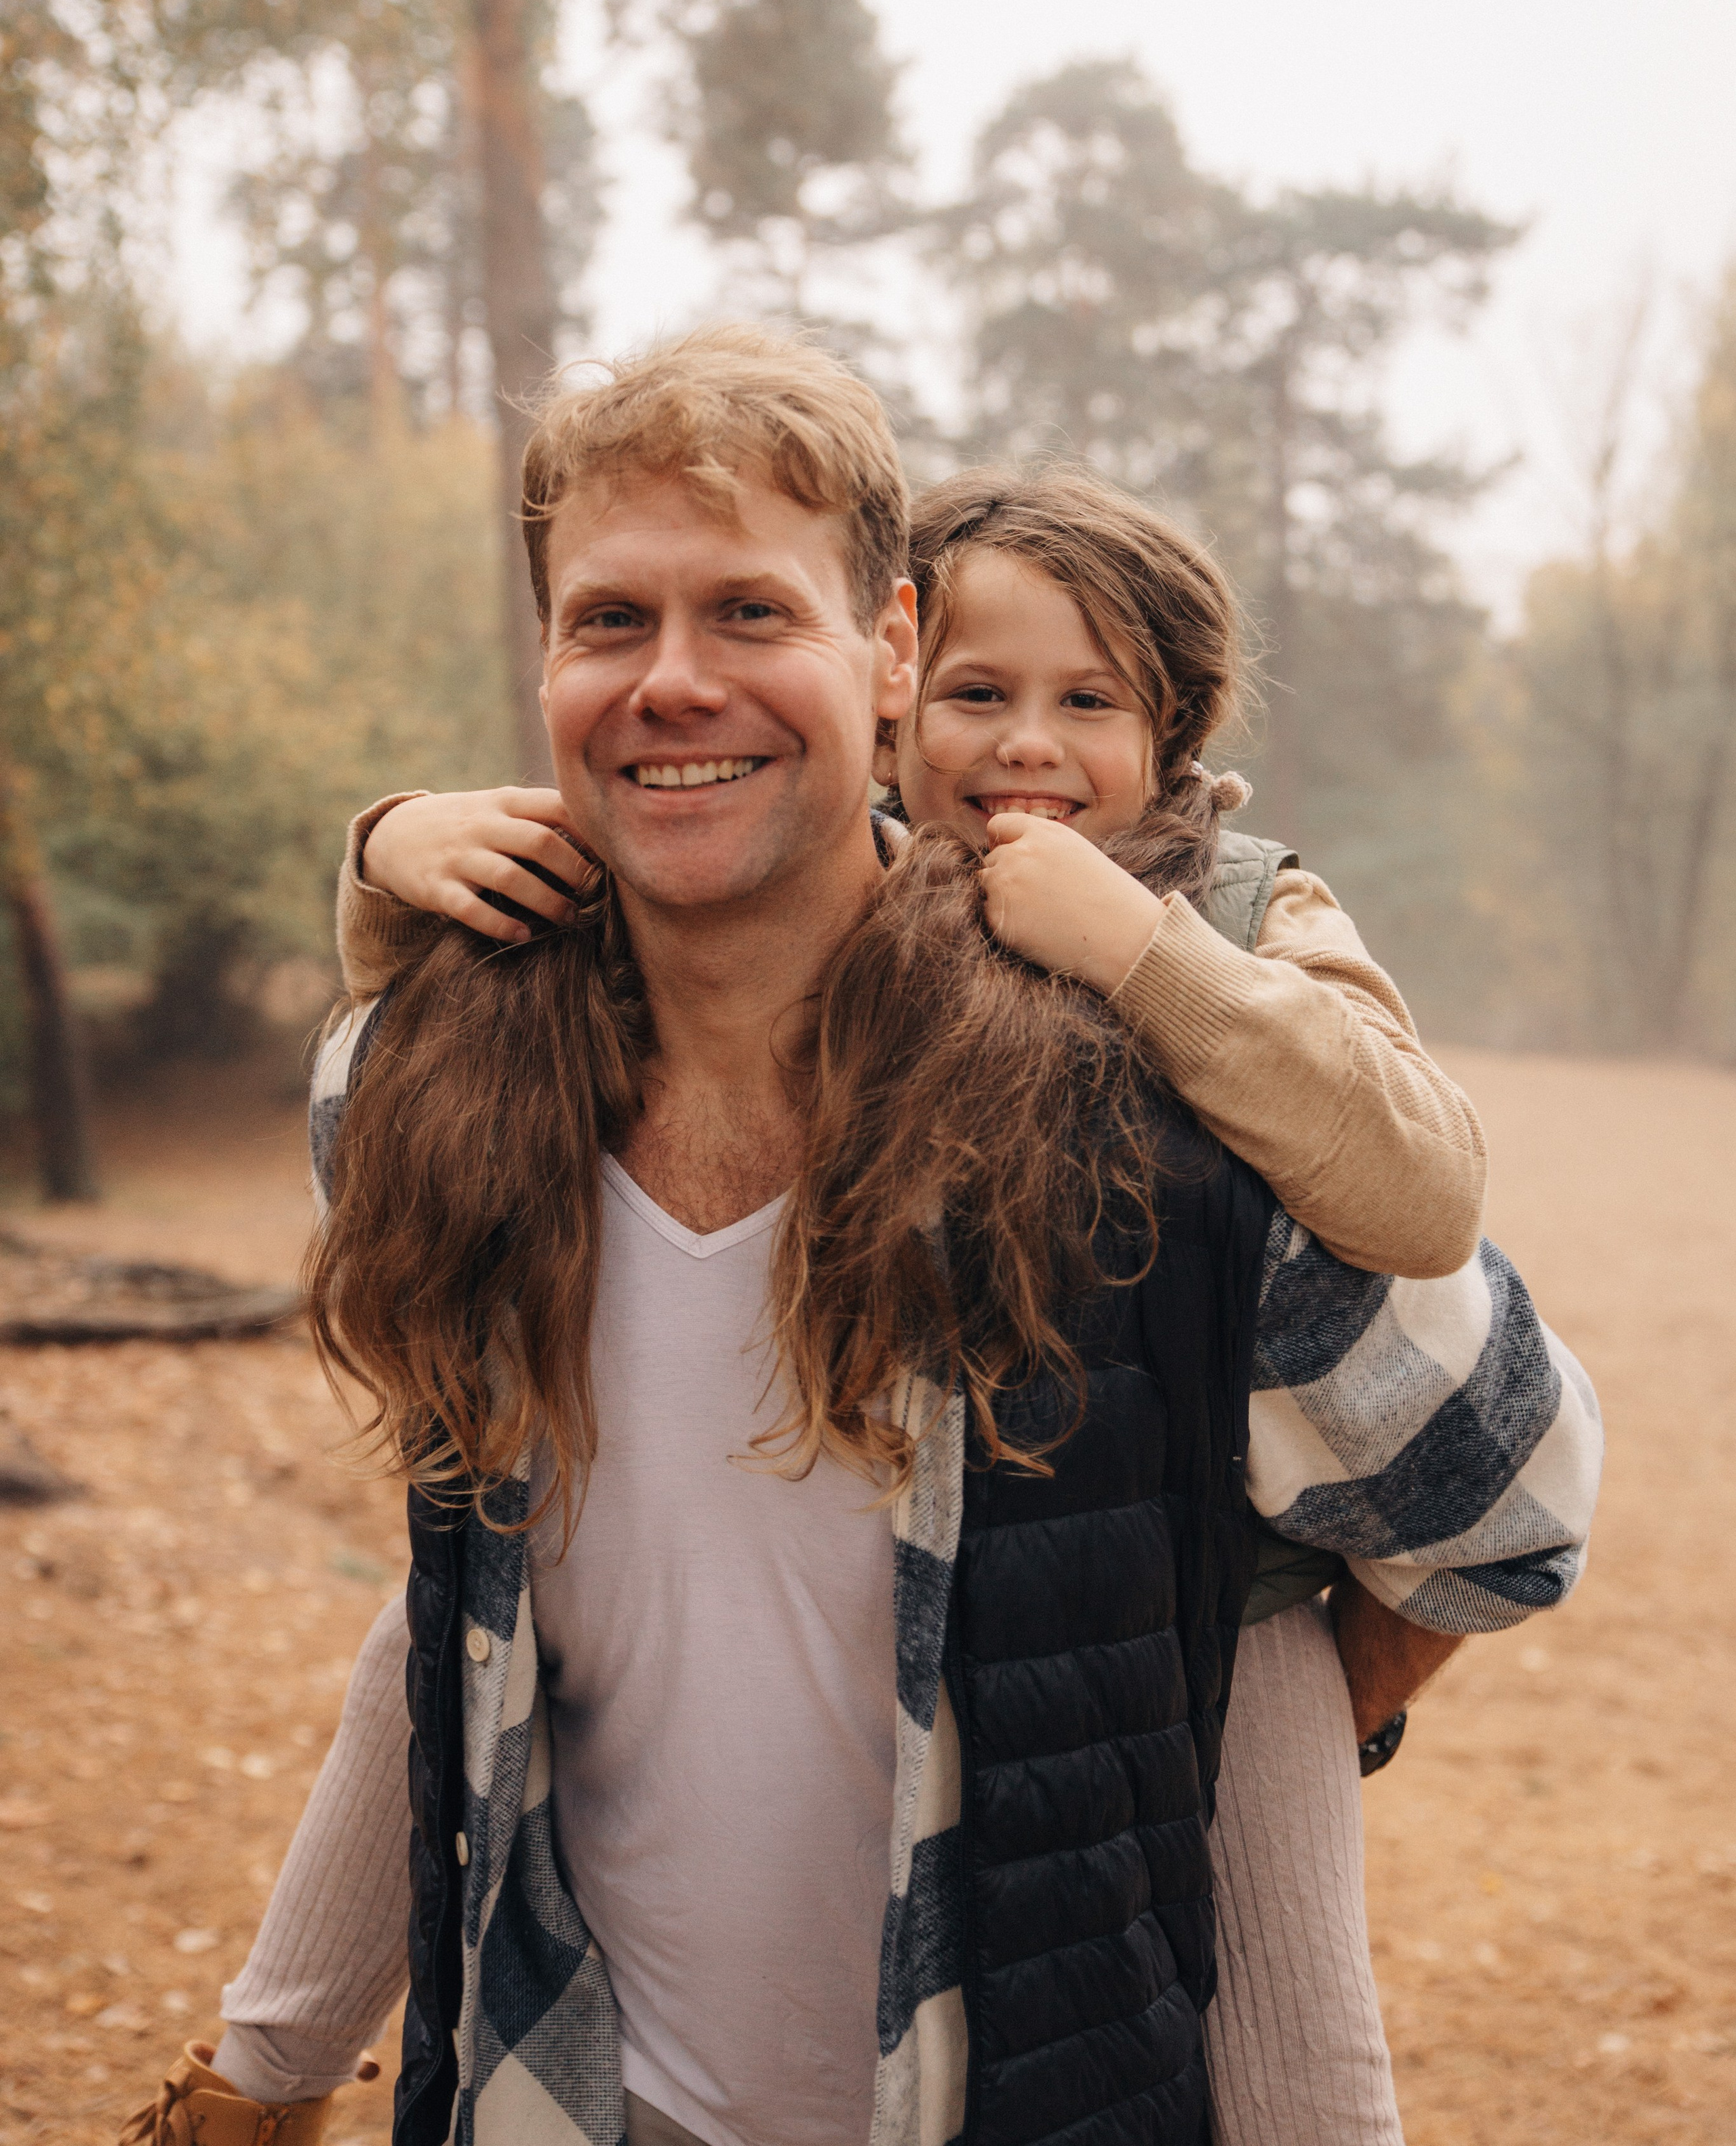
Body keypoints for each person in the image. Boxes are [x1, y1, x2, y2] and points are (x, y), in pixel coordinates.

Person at [121, 330, 1600, 2146]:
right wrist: (378, 868)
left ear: (880, 651)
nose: (674, 683)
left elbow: (1514, 1484)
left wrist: (1251, 1670)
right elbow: (446, 1640)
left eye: (751, 614)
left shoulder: (1155, 1143)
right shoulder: (426, 1098)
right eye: (609, 623)